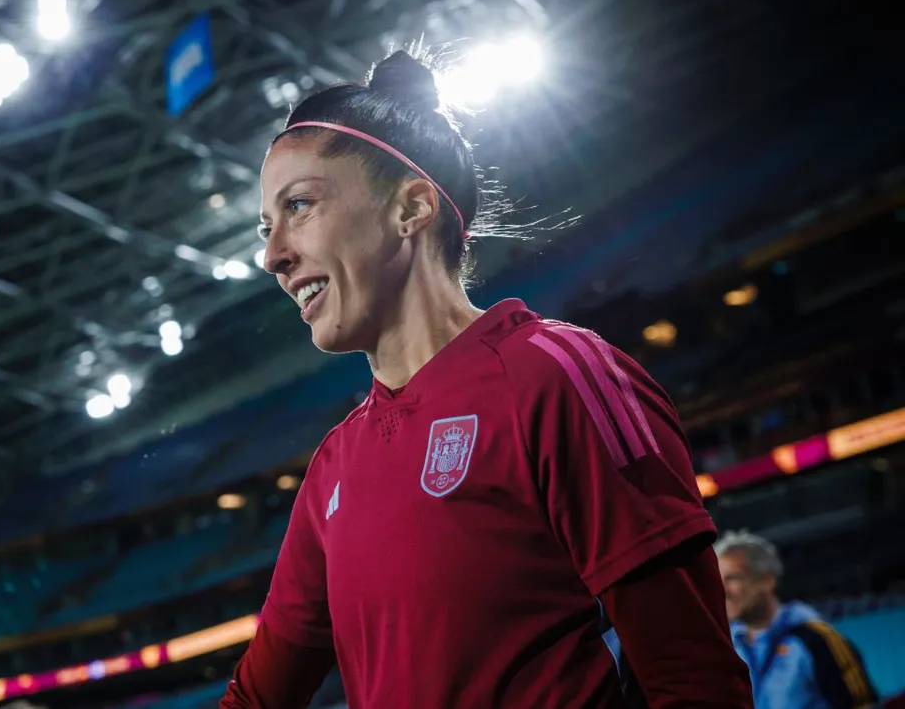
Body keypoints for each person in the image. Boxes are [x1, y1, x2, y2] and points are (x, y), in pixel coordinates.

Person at [220, 49, 754, 708]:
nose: (273, 256)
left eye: (298, 205)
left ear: (410, 208)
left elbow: (693, 680)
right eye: (266, 229)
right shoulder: (333, 467)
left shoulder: (556, 376)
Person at [716, 531, 879, 709]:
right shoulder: (724, 649)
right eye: (718, 581)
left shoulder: (817, 639)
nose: (723, 590)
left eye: (732, 578)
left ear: (767, 580)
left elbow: (862, 705)